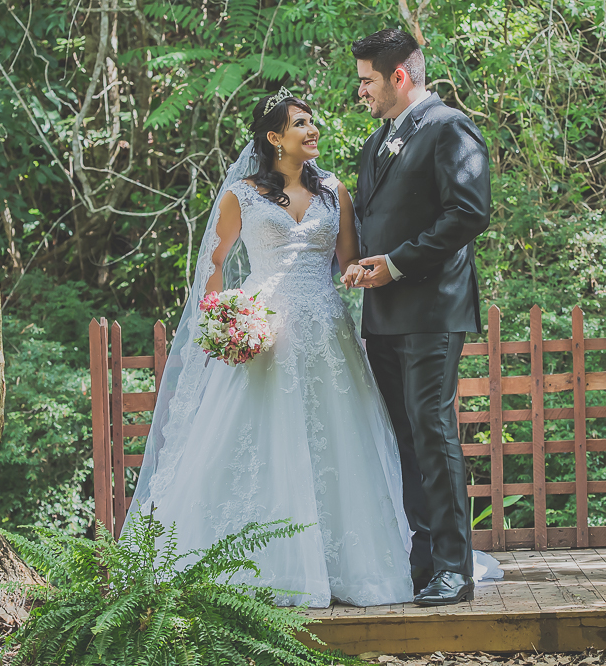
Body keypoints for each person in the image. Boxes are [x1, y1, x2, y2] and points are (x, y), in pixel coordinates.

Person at [126, 86, 414, 608]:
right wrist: (220, 318)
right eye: (300, 123)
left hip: (326, 332)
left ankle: (344, 566)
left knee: (337, 442)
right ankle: (255, 566)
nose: (312, 129)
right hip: (263, 334)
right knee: (257, 441)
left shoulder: (335, 191)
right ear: (274, 138)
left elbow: (347, 261)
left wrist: (359, 274)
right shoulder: (241, 195)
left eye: (312, 121)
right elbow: (213, 264)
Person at [344, 29, 492, 606]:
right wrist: (361, 265)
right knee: (405, 438)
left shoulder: (450, 128)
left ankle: (455, 569)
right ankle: (424, 562)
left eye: (367, 81)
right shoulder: (377, 141)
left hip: (432, 310)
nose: (361, 91)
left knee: (432, 430)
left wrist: (398, 264)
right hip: (382, 313)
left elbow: (468, 213)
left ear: (399, 77)